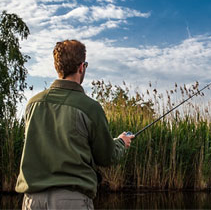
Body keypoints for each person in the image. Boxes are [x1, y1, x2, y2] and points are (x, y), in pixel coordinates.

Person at [15, 39, 134, 209]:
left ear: (58, 67)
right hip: (71, 201)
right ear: (81, 67)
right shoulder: (90, 107)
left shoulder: (33, 104)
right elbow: (106, 156)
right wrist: (122, 141)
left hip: (31, 201)